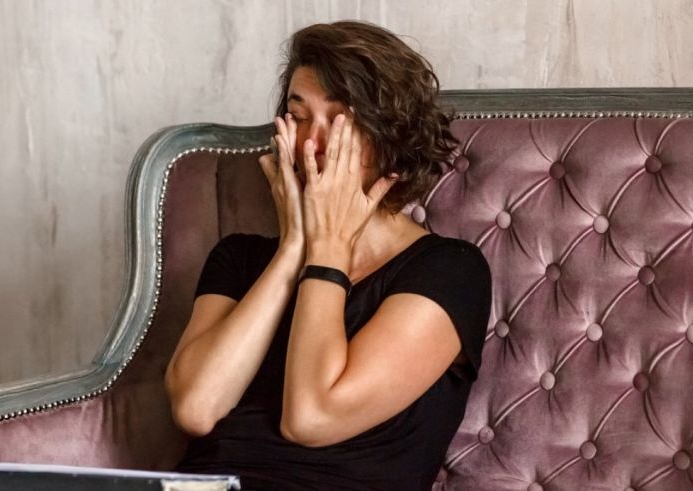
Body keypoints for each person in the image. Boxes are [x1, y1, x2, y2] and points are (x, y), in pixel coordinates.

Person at [165, 20, 491, 491]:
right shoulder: (238, 258)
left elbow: (311, 416)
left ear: (390, 138)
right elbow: (196, 408)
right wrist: (293, 249)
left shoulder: (449, 270)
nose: (311, 144)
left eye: (340, 120)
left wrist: (327, 252)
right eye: (298, 118)